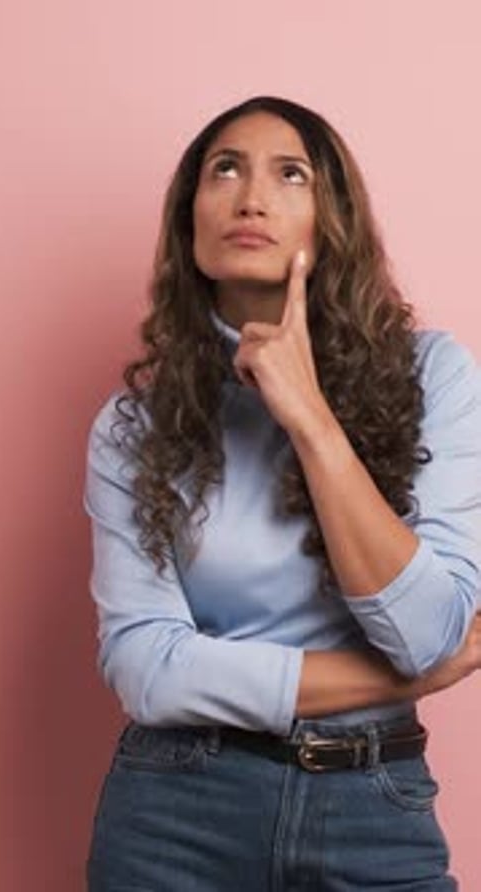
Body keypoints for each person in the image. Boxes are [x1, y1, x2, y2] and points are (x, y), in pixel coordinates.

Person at [83, 96, 481, 891]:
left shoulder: (434, 375)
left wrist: (310, 419)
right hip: (174, 812)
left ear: (330, 218)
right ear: (189, 221)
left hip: (375, 805)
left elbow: (428, 630)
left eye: (289, 173)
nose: (250, 197)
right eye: (223, 168)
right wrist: (392, 684)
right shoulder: (132, 427)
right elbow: (147, 669)